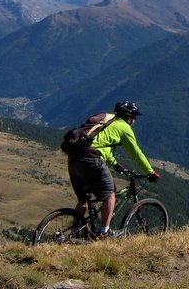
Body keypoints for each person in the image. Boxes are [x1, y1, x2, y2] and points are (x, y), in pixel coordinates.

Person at [67, 101, 161, 238]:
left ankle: (73, 233)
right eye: (134, 117)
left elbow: (101, 144)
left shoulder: (108, 121)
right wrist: (150, 172)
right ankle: (105, 233)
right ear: (129, 117)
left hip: (74, 158)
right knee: (110, 194)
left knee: (83, 199)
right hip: (91, 160)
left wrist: (115, 164)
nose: (135, 120)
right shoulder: (124, 127)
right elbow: (136, 153)